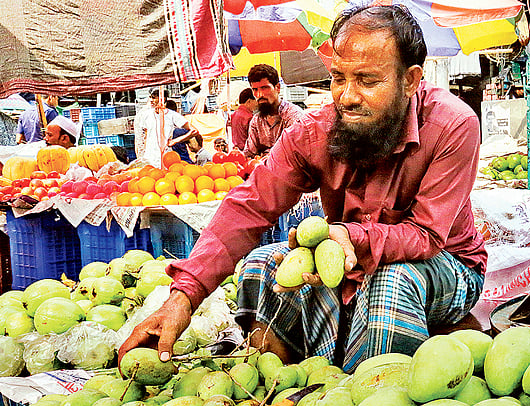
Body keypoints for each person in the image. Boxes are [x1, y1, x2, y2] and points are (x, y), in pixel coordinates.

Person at [118, 5, 486, 373]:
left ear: (410, 80)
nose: (347, 97)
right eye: (338, 78)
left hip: (448, 264)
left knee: (391, 279)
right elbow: (250, 206)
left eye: (367, 80)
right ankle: (287, 385)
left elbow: (425, 236)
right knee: (261, 265)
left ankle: (364, 397)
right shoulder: (315, 131)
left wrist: (349, 235)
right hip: (347, 254)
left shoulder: (452, 125)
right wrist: (183, 297)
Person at [242, 64, 305, 158]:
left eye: (264, 88)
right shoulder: (256, 121)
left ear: (278, 88)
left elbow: (295, 154)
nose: (259, 94)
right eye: (255, 89)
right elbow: (249, 153)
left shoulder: (293, 116)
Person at [134, 89, 196, 167]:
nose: (151, 100)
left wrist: (175, 141)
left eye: (153, 98)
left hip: (166, 157)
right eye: (150, 97)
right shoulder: (146, 115)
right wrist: (143, 154)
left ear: (162, 99)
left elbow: (194, 131)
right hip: (150, 158)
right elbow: (146, 137)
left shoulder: (172, 115)